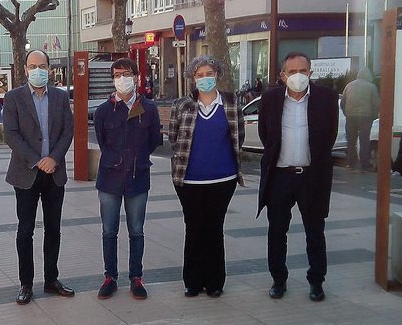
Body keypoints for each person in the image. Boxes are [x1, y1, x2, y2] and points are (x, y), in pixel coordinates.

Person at [257, 52, 339, 302]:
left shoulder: (326, 98)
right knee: (277, 232)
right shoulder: (270, 99)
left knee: (315, 232)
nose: (297, 76)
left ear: (311, 72)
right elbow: (265, 135)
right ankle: (278, 280)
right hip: (280, 177)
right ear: (282, 76)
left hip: (311, 177)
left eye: (302, 70)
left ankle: (316, 282)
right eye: (292, 72)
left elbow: (329, 136)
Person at [2, 49, 75, 305]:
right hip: (26, 174)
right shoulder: (13, 98)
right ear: (25, 69)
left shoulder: (60, 96)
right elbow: (10, 134)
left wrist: (53, 158)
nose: (37, 70)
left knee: (53, 229)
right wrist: (37, 160)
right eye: (32, 66)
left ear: (49, 68)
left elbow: (68, 130)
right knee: (25, 231)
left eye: (41, 65)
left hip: (54, 174)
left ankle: (52, 279)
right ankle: (26, 284)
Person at [169, 55, 245, 299]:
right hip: (189, 180)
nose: (205, 79)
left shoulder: (232, 103)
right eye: (199, 75)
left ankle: (214, 282)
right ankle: (192, 281)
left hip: (223, 180)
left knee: (214, 229)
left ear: (218, 75)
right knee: (193, 229)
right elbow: (174, 138)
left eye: (209, 73)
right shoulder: (182, 105)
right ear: (193, 78)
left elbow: (238, 136)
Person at [93, 58, 162, 300]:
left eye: (126, 73)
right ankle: (110, 277)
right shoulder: (103, 112)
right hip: (109, 179)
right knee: (109, 231)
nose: (121, 78)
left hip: (138, 178)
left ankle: (136, 277)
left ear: (136, 77)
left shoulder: (149, 109)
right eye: (117, 74)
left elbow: (154, 141)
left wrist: (137, 160)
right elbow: (103, 142)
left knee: (136, 231)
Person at [341, 66, 380, 172]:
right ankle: (365, 165)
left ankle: (351, 163)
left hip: (350, 117)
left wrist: (347, 113)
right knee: (364, 141)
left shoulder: (349, 86)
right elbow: (376, 104)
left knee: (351, 142)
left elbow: (342, 102)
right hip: (365, 117)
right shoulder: (371, 87)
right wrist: (373, 116)